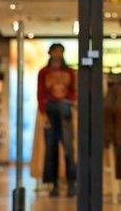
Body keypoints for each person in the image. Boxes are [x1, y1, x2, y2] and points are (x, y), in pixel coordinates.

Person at [36, 43, 77, 197]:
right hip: (51, 110)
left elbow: (73, 91)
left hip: (65, 110)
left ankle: (72, 183)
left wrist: (70, 101)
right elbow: (40, 93)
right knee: (51, 149)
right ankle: (54, 185)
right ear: (50, 53)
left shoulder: (70, 72)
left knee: (69, 149)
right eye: (56, 51)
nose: (58, 54)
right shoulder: (44, 72)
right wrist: (43, 112)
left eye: (60, 51)